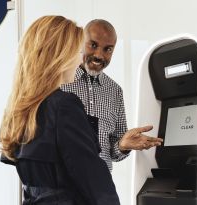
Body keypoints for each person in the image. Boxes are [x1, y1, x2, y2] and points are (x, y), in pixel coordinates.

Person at [0, 16, 120, 205]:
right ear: (61, 55)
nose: (81, 58)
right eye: (78, 50)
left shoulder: (21, 109)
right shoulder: (64, 106)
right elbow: (96, 186)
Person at [61, 19, 163, 171]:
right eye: (93, 45)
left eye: (108, 49)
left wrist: (122, 146)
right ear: (81, 41)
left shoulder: (115, 91)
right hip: (62, 187)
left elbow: (112, 153)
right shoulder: (59, 81)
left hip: (101, 189)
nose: (99, 55)